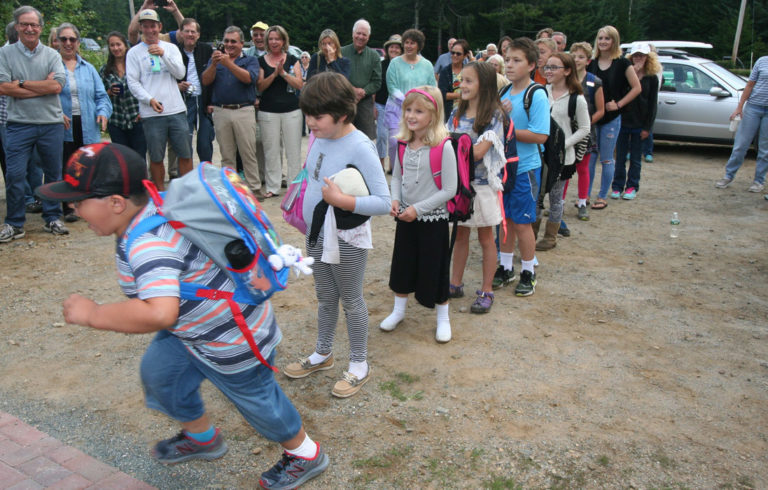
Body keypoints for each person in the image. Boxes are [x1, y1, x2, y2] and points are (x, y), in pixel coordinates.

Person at [35, 142, 329, 489]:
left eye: (80, 200)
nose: (74, 207)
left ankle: (305, 454)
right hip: (192, 332)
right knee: (160, 374)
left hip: (231, 340)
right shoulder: (147, 211)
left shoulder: (147, 244)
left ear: (116, 203)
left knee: (260, 403)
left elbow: (159, 313)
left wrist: (95, 314)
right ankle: (202, 438)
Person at [283, 72, 389, 398]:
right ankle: (323, 353)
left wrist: (343, 201)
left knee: (351, 300)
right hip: (317, 231)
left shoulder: (361, 146)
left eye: (317, 116)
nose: (310, 122)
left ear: (342, 115)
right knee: (325, 296)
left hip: (346, 236)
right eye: (307, 114)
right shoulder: (320, 136)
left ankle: (359, 365)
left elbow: (384, 202)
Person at [380, 86, 457, 342]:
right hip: (405, 216)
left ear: (433, 115)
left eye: (419, 111)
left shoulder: (443, 146)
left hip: (432, 219)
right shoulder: (403, 144)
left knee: (435, 266)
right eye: (408, 110)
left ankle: (443, 317)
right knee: (402, 262)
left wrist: (418, 209)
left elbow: (449, 189)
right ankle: (398, 310)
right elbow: (397, 176)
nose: (411, 116)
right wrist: (395, 199)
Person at [0, 6, 70, 243]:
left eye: (34, 24)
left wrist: (19, 85)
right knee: (15, 174)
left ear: (40, 27)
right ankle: (14, 223)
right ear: (17, 26)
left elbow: (57, 87)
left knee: (52, 174)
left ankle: (52, 217)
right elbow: (3, 88)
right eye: (24, 24)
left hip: (50, 123)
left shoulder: (52, 55)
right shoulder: (5, 54)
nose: (29, 29)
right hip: (18, 124)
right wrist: (41, 86)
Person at [447, 62, 506, 313]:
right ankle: (455, 283)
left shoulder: (493, 116)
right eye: (462, 80)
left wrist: (454, 147)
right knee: (460, 234)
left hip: (482, 187)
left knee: (485, 237)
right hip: (460, 186)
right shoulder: (455, 113)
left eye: (469, 80)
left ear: (484, 84)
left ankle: (487, 290)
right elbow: (446, 143)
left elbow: (478, 153)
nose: (463, 85)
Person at [495, 37, 549, 296]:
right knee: (504, 219)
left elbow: (540, 136)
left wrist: (507, 125)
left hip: (525, 168)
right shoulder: (504, 92)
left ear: (531, 65)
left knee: (522, 222)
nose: (509, 65)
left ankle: (528, 271)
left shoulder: (535, 94)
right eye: (507, 60)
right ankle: (505, 267)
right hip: (503, 167)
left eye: (516, 61)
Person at [126, 9, 192, 190]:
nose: (150, 30)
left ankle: (188, 193)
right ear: (140, 28)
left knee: (185, 154)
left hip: (176, 109)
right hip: (151, 113)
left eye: (153, 26)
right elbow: (133, 82)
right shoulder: (133, 53)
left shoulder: (170, 48)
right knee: (156, 157)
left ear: (159, 26)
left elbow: (180, 73)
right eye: (145, 26)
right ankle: (160, 196)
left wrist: (163, 54)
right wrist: (149, 100)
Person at [57, 22, 113, 222]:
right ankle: (69, 206)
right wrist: (54, 112)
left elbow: (101, 97)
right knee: (67, 165)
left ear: (78, 42)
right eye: (64, 39)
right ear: (57, 42)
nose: (68, 43)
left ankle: (89, 205)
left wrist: (103, 113)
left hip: (87, 122)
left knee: (88, 165)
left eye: (72, 39)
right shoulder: (52, 66)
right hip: (62, 124)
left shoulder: (88, 68)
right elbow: (45, 95)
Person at [536, 52, 589, 251]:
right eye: (547, 67)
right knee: (537, 196)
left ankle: (550, 237)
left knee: (556, 198)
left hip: (562, 158)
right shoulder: (541, 91)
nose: (548, 71)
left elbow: (585, 128)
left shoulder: (577, 99)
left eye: (553, 67)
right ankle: (531, 233)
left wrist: (564, 143)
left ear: (567, 71)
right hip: (540, 155)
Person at [202, 26, 262, 196]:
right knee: (226, 153)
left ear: (242, 43)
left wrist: (228, 63)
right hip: (221, 111)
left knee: (248, 152)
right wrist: (214, 65)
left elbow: (249, 79)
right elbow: (206, 81)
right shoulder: (215, 60)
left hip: (244, 109)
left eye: (233, 41)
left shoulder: (250, 60)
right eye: (226, 41)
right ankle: (231, 188)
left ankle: (254, 188)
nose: (229, 44)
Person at [587, 25, 641, 210]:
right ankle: (585, 194)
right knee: (591, 157)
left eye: (607, 38)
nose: (603, 42)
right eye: (600, 38)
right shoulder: (591, 62)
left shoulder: (622, 63)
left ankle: (602, 196)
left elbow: (636, 88)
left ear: (614, 41)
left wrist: (619, 103)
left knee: (607, 158)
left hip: (611, 117)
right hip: (593, 117)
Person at [257, 25, 303, 198]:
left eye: (277, 38)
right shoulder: (261, 61)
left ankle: (294, 188)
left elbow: (299, 84)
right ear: (267, 41)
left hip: (291, 111)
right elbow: (260, 86)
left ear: (284, 40)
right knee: (271, 151)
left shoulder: (293, 59)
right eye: (271, 39)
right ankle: (273, 186)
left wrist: (283, 73)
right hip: (268, 112)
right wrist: (274, 74)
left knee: (293, 150)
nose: (274, 42)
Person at [385, 29, 436, 180]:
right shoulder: (394, 63)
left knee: (417, 143)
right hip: (397, 109)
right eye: (406, 42)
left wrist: (423, 104)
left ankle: (416, 175)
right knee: (395, 142)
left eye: (412, 43)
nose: (408, 46)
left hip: (420, 111)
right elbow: (392, 86)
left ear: (418, 45)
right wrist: (408, 101)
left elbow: (433, 87)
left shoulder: (427, 65)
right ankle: (396, 174)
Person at [612, 42, 659, 200]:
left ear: (648, 57)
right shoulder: (624, 74)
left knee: (636, 158)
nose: (638, 58)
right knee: (620, 157)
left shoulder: (652, 78)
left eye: (642, 55)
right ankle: (617, 186)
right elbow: (619, 94)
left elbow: (652, 104)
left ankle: (632, 186)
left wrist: (648, 127)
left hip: (640, 123)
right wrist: (633, 73)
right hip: (623, 121)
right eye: (636, 55)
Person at [715, 55, 768, 192]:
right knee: (740, 145)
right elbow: (750, 85)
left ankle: (758, 181)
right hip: (753, 107)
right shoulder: (762, 61)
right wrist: (739, 107)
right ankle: (728, 175)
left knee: (764, 148)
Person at [566, 41, 604, 222]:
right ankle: (560, 201)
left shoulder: (594, 82)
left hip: (586, 134)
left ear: (588, 61)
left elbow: (600, 110)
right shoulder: (564, 79)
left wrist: (585, 125)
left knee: (583, 168)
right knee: (564, 169)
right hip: (566, 133)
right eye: (574, 56)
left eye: (581, 57)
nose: (576, 60)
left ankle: (582, 203)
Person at [101, 31, 147, 161]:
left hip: (136, 118)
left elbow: (146, 89)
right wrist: (109, 92)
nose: (116, 48)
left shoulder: (135, 66)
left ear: (125, 45)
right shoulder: (105, 70)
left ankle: (140, 181)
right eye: (112, 45)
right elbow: (99, 95)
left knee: (139, 157)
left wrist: (143, 111)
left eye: (118, 44)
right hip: (116, 120)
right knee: (121, 159)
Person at [175, 18, 214, 164]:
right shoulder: (175, 51)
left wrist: (211, 102)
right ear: (181, 33)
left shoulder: (206, 49)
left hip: (203, 101)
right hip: (183, 101)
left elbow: (213, 77)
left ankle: (207, 175)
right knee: (184, 142)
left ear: (198, 34)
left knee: (205, 142)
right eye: (187, 31)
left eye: (193, 31)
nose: (190, 34)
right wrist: (178, 86)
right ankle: (185, 177)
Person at [340, 19, 381, 140]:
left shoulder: (374, 56)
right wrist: (352, 90)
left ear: (368, 37)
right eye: (358, 33)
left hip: (365, 105)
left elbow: (377, 81)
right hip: (344, 103)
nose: (360, 37)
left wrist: (363, 92)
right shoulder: (341, 52)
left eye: (364, 34)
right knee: (343, 138)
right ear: (353, 34)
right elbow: (336, 76)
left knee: (366, 141)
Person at [374, 34, 403, 171]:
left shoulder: (405, 66)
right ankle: (380, 166)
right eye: (392, 47)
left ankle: (393, 166)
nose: (394, 49)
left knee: (395, 138)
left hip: (398, 106)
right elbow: (375, 84)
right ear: (387, 49)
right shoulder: (381, 65)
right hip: (381, 105)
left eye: (397, 47)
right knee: (381, 136)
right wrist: (373, 105)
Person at [437, 38, 469, 123]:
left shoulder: (470, 71)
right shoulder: (445, 71)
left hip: (467, 114)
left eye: (458, 54)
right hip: (448, 114)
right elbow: (442, 94)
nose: (454, 55)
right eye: (452, 53)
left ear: (465, 55)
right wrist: (461, 95)